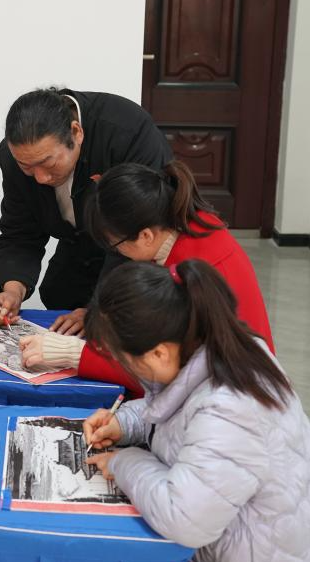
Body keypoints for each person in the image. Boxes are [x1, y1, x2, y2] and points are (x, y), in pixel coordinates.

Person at [80, 260, 310, 562]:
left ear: (159, 353)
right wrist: (124, 423)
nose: (127, 370)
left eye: (125, 361)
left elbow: (183, 517)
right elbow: (182, 413)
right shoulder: (221, 353)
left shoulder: (231, 407)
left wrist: (123, 462)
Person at [20, 161, 273, 395]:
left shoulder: (193, 275)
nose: (119, 253)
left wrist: (74, 353)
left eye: (115, 245)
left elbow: (163, 373)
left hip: (229, 396)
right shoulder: (189, 225)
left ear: (145, 236)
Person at [0, 87, 172, 333]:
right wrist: (12, 291)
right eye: (27, 167)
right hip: (76, 255)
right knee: (58, 297)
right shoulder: (16, 156)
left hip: (136, 258)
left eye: (48, 163)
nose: (40, 178)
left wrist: (100, 309)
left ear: (76, 133)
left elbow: (139, 233)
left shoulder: (126, 132)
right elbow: (20, 230)